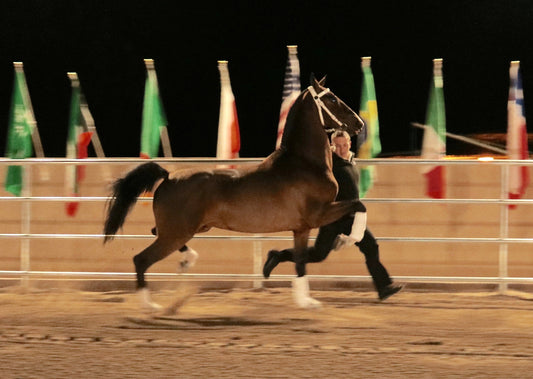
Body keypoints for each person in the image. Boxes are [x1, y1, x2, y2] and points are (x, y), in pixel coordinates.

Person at [263, 130, 402, 301]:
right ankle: (279, 256)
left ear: (350, 144)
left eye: (345, 145)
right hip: (333, 216)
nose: (342, 149)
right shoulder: (328, 164)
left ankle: (383, 287)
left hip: (350, 217)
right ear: (331, 146)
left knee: (371, 247)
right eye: (338, 146)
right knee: (318, 255)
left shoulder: (350, 160)